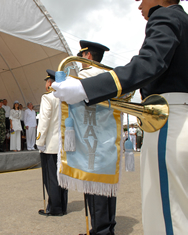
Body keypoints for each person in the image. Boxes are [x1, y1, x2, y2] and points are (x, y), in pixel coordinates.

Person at [52, 1, 188, 233]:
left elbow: (149, 63)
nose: (139, 6)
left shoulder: (165, 16)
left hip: (169, 121)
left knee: (168, 218)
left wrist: (85, 89)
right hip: (180, 116)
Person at [77, 41, 117, 235]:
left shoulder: (84, 76)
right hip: (110, 137)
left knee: (93, 185)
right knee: (108, 184)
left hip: (91, 137)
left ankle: (100, 230)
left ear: (88, 56)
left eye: (82, 56)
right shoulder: (110, 76)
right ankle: (109, 226)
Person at [36, 70, 68, 216]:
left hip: (50, 145)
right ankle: (63, 206)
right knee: (62, 177)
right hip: (64, 144)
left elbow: (44, 121)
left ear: (50, 83)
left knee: (51, 178)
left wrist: (40, 141)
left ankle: (55, 208)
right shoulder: (66, 98)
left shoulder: (48, 98)